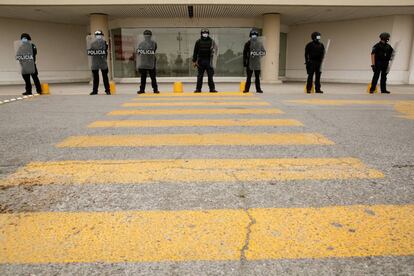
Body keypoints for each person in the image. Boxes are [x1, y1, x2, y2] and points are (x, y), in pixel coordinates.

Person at [192, 28, 218, 93]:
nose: (205, 34)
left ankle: (212, 89)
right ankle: (198, 89)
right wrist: (194, 61)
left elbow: (216, 50)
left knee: (210, 76)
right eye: (203, 33)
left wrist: (214, 52)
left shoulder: (212, 41)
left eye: (206, 33)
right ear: (201, 34)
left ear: (208, 34)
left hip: (209, 61)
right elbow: (195, 52)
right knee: (200, 76)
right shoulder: (198, 42)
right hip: (200, 61)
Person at [243, 28, 266, 93]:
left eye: (255, 35)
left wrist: (257, 54)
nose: (254, 36)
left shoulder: (260, 44)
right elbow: (244, 53)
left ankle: (258, 89)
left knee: (257, 77)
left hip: (257, 63)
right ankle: (246, 89)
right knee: (248, 78)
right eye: (252, 35)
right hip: (249, 63)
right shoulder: (247, 43)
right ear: (250, 36)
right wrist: (244, 63)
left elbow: (263, 52)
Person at [87, 30, 110, 95]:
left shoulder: (105, 43)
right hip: (95, 62)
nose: (98, 36)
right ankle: (95, 90)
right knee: (95, 78)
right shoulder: (92, 43)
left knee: (105, 77)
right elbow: (91, 52)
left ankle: (107, 90)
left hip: (103, 62)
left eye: (99, 35)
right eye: (97, 35)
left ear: (102, 36)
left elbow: (106, 51)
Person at [136, 30, 159, 94]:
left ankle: (143, 90)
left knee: (145, 77)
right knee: (152, 77)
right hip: (149, 62)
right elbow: (153, 51)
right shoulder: (153, 43)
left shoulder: (141, 44)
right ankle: (155, 89)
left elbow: (138, 52)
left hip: (146, 62)